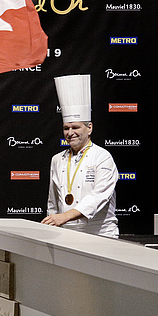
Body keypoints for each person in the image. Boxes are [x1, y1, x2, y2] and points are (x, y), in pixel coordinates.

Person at [41, 74, 119, 237]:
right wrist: (51, 224)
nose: (70, 133)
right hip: (65, 234)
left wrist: (64, 217)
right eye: (66, 128)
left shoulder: (102, 157)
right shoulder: (57, 159)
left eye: (75, 127)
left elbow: (99, 196)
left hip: (100, 233)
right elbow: (53, 201)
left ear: (89, 128)